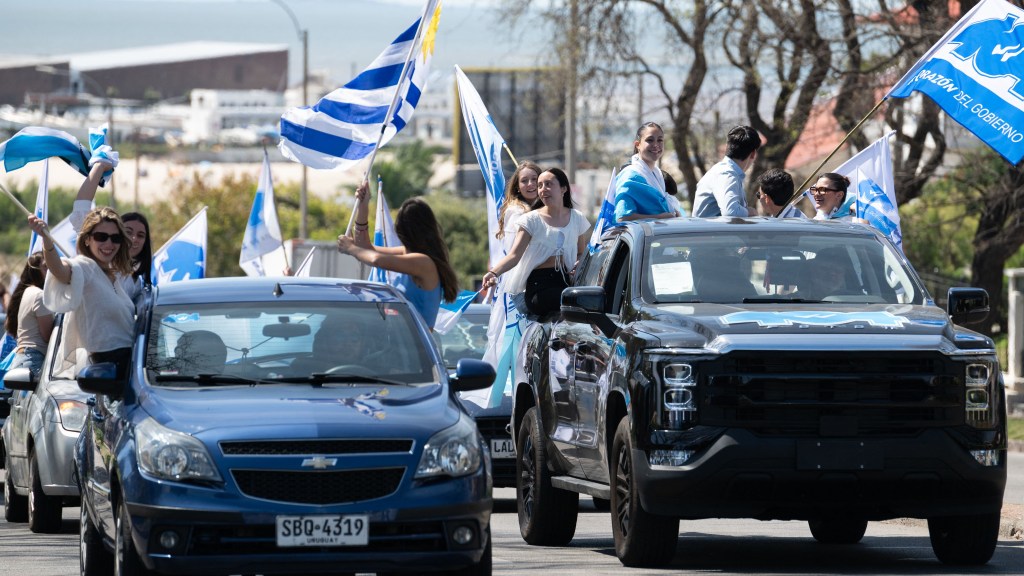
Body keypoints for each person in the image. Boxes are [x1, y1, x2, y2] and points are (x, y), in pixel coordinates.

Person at [29, 207, 136, 379]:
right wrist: (47, 241)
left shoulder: (113, 277)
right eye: (101, 237)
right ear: (87, 240)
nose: (109, 244)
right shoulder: (84, 267)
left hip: (129, 367)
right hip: (104, 369)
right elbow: (59, 270)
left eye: (115, 238)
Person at [336, 187, 459, 328]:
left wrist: (351, 248)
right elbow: (365, 248)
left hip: (415, 347)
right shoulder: (408, 254)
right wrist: (363, 205)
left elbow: (376, 259)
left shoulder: (424, 262)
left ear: (401, 230)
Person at [482, 168, 592, 317]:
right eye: (540, 185)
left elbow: (581, 252)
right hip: (539, 286)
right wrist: (493, 273)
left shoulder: (577, 218)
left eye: (548, 184)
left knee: (588, 302)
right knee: (571, 301)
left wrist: (578, 264)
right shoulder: (530, 220)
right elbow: (514, 255)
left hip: (566, 282)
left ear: (563, 188)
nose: (542, 189)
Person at [483, 161, 541, 407]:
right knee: (514, 351)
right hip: (517, 293)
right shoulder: (516, 212)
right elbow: (516, 254)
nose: (530, 185)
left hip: (542, 290)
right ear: (517, 186)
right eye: (524, 180)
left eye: (534, 180)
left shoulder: (546, 209)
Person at [71, 161, 152, 296]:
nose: (133, 239)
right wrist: (99, 167)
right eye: (128, 232)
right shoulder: (93, 266)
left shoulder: (137, 283)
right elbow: (81, 209)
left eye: (141, 235)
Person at [613, 122, 682, 223]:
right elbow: (621, 219)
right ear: (638, 145)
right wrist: (661, 218)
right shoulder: (630, 176)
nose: (656, 145)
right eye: (650, 140)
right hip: (638, 238)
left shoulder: (658, 176)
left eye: (660, 140)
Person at [693, 125, 762, 218]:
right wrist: (751, 212)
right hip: (708, 232)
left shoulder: (727, 171)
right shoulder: (726, 174)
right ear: (753, 154)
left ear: (727, 147)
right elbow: (731, 211)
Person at [3, 253, 53, 377]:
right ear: (36, 271)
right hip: (32, 361)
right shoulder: (39, 295)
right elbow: (48, 336)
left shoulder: (28, 291)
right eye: (46, 267)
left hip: (25, 359)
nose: (52, 270)